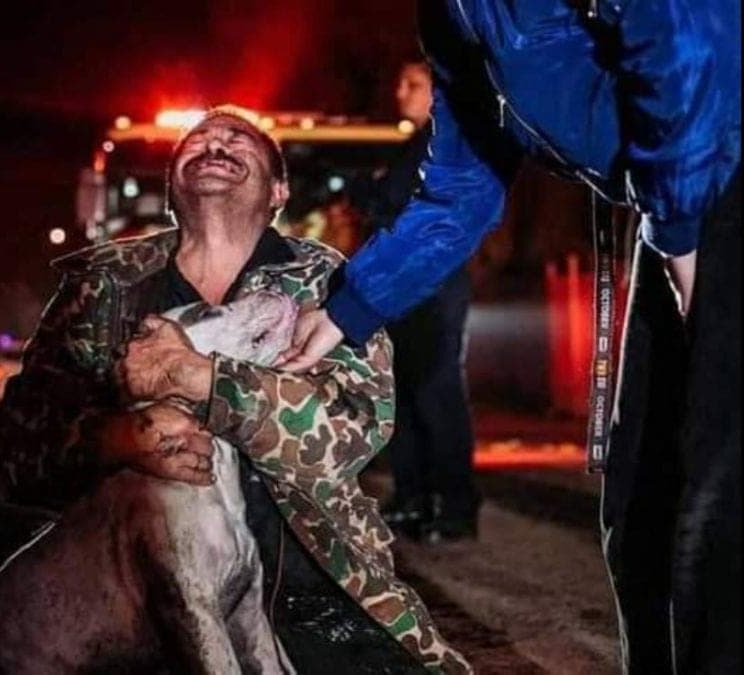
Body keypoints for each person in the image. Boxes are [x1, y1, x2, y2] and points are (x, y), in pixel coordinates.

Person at [279, 4, 740, 673]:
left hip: (712, 171)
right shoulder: (453, 20)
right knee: (640, 500)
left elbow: (686, 39)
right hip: (676, 208)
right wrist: (347, 308)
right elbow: (461, 187)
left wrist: (679, 231)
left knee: (717, 499)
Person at [0, 106, 471, 673]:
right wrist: (117, 438)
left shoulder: (329, 282)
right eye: (198, 142)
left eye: (238, 141)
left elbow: (355, 427)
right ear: (170, 189)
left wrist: (202, 380)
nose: (215, 145)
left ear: (279, 191)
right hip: (126, 607)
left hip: (313, 597)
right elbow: (14, 446)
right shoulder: (104, 286)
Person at [358, 58, 479, 542]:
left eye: (414, 84)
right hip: (402, 285)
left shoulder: (448, 144)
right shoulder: (416, 144)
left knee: (435, 392)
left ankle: (454, 504)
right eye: (400, 83)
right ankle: (412, 496)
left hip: (433, 284)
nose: (401, 92)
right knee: (405, 391)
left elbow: (429, 214)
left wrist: (375, 198)